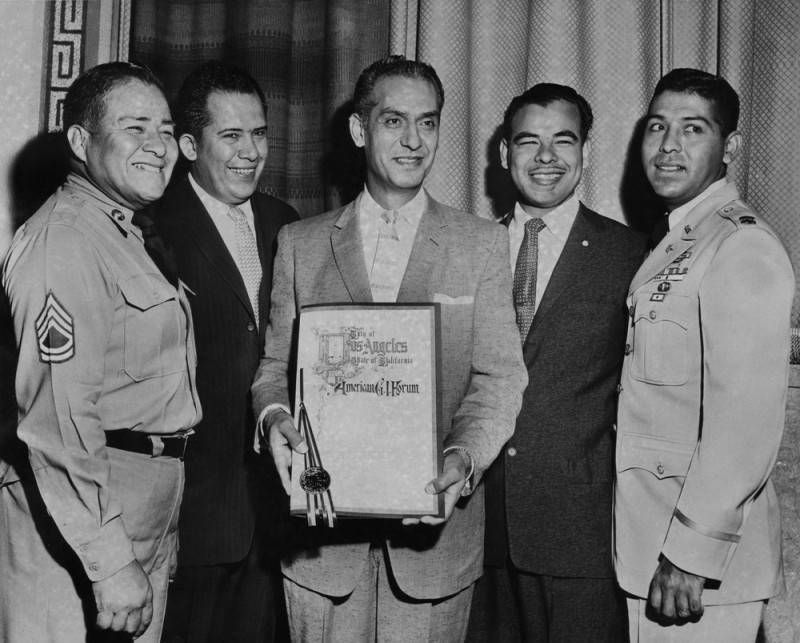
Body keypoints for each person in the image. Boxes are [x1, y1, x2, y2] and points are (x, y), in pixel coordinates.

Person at [250, 55, 527, 642]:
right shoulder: (299, 244)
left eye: (427, 123)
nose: (413, 140)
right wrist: (274, 418)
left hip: (434, 547)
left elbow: (500, 378)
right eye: (394, 121)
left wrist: (463, 459)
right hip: (321, 554)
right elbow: (274, 369)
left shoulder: (480, 245)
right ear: (359, 130)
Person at [0, 62, 202, 642]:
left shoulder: (126, 234)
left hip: (133, 506)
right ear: (82, 141)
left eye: (165, 130)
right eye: (135, 128)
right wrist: (111, 561)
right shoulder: (64, 240)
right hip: (80, 519)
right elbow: (57, 423)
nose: (158, 146)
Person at [614, 67, 794, 642]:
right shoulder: (681, 239)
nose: (668, 146)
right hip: (654, 545)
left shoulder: (740, 245)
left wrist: (692, 551)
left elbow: (744, 423)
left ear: (730, 147)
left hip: (697, 567)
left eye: (693, 129)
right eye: (657, 127)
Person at [467, 83, 646, 642]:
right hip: (479, 531)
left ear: (586, 153)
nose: (546, 158)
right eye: (528, 142)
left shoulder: (633, 255)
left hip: (583, 536)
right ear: (504, 154)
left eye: (562, 141)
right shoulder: (468, 250)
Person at [153, 61, 298, 643]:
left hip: (278, 517)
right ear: (189, 144)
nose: (250, 152)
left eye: (259, 133)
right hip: (192, 519)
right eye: (230, 135)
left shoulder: (285, 222)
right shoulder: (151, 226)